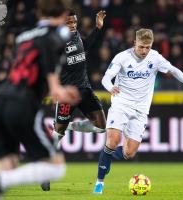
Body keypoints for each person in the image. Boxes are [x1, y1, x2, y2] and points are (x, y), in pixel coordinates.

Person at [0, 0, 81, 199]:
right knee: (55, 169)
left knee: (6, 167)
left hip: (0, 101)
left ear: (39, 12)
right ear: (64, 14)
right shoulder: (55, 37)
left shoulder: (23, 37)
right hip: (21, 105)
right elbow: (52, 80)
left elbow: (26, 72)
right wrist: (60, 90)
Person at [93, 28, 183, 194]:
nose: (144, 51)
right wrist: (110, 87)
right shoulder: (122, 57)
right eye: (141, 47)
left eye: (148, 47)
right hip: (121, 103)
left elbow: (173, 70)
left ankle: (106, 156)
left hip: (141, 110)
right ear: (134, 43)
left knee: (129, 153)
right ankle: (99, 182)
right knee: (113, 140)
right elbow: (105, 78)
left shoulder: (155, 57)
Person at [40, 9, 107, 192]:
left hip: (85, 90)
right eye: (69, 23)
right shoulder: (56, 42)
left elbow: (87, 44)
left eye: (74, 22)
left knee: (101, 126)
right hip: (66, 94)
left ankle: (70, 126)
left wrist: (98, 29)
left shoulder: (78, 36)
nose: (73, 25)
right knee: (57, 136)